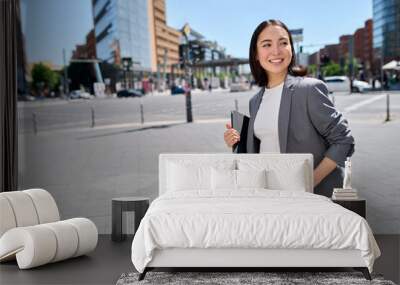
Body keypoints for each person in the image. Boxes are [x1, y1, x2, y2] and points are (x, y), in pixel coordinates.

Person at [223, 20, 355, 197]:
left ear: (291, 49)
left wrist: (310, 181)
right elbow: (262, 148)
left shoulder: (308, 89)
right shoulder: (255, 101)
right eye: (267, 44)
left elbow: (344, 141)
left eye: (283, 43)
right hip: (269, 194)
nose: (276, 51)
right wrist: (236, 142)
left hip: (310, 199)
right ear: (255, 53)